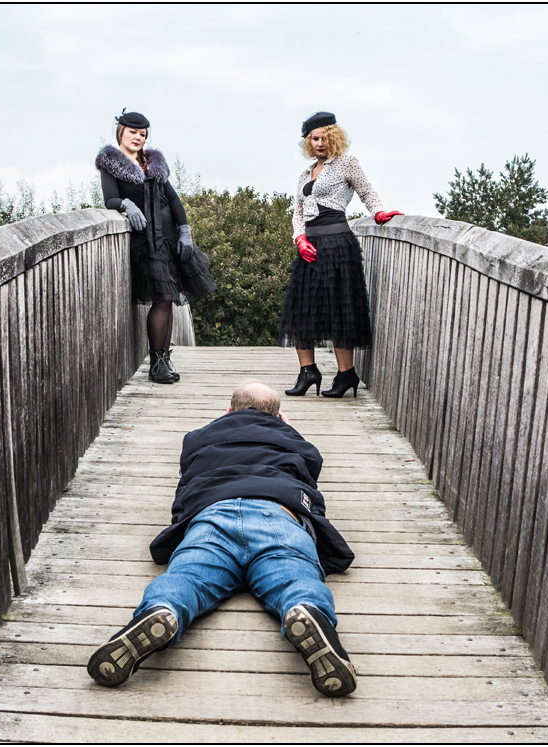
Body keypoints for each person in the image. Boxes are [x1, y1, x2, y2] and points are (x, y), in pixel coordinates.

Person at [87, 380, 358, 697]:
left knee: (187, 577)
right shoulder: (295, 440)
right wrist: (288, 431)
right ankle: (307, 609)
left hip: (213, 515)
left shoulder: (199, 437)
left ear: (228, 410)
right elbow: (310, 481)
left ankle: (162, 608)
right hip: (279, 514)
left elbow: (187, 483)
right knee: (295, 577)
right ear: (280, 417)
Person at [279, 111, 404, 398]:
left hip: (337, 244)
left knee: (339, 311)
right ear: (308, 142)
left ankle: (347, 374)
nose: (320, 143)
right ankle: (307, 371)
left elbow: (366, 191)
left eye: (324, 137)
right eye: (314, 139)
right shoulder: (304, 174)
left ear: (334, 137)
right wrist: (299, 239)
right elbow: (298, 213)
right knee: (301, 310)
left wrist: (379, 213)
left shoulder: (346, 163)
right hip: (309, 248)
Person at [96, 109, 216, 383]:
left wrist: (185, 231)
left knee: (168, 299)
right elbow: (110, 199)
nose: (138, 138)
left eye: (142, 134)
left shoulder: (154, 163)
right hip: (146, 241)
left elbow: (173, 200)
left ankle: (163, 359)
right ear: (121, 133)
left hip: (169, 237)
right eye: (132, 133)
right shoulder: (110, 163)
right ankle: (156, 363)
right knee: (162, 297)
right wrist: (126, 204)